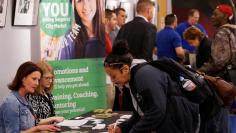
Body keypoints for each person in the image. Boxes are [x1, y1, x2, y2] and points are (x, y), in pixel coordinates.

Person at [106, 40, 199, 133]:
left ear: (125, 69)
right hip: (171, 120)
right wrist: (122, 127)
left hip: (179, 119)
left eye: (113, 76)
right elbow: (140, 114)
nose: (112, 81)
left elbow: (157, 111)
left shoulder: (143, 75)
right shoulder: (131, 80)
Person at [198, 4, 236, 133]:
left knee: (217, 114)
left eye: (215, 14)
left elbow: (219, 61)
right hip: (232, 78)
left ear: (225, 16)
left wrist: (200, 71)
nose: (212, 17)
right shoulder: (233, 31)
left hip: (221, 79)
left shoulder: (222, 32)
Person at [0, 61, 63, 132]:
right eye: (34, 79)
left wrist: (51, 120)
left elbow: (33, 122)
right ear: (23, 79)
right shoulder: (11, 103)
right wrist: (38, 128)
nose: (37, 83)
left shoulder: (24, 98)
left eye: (38, 80)